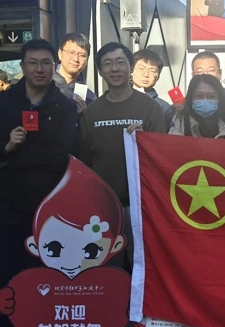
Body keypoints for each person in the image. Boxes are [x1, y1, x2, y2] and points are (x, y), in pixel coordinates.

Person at [0, 38, 79, 327]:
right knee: (4, 277)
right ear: (23, 66)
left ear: (54, 66)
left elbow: (62, 155)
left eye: (46, 63)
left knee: (43, 279)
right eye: (33, 63)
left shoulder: (65, 107)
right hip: (5, 206)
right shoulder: (1, 102)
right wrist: (5, 147)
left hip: (49, 209)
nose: (39, 69)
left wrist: (13, 158)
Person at [79, 42, 166, 268]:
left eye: (120, 62)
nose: (114, 69)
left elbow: (162, 155)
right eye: (107, 64)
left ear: (130, 67)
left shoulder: (150, 108)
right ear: (100, 71)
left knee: (143, 266)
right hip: (104, 208)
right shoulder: (92, 112)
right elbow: (84, 162)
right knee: (107, 268)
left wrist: (145, 140)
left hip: (142, 206)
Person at [169, 74, 225, 138]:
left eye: (211, 96)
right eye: (199, 96)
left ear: (219, 99)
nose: (205, 101)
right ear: (191, 98)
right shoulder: (180, 123)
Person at [131, 49, 174, 129]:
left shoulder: (163, 107)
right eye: (141, 69)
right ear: (131, 70)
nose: (146, 74)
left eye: (152, 71)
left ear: (158, 76)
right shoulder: (119, 99)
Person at [54, 32, 96, 112]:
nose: (76, 59)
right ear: (60, 54)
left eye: (82, 55)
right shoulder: (45, 85)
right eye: (71, 53)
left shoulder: (90, 97)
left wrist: (85, 115)